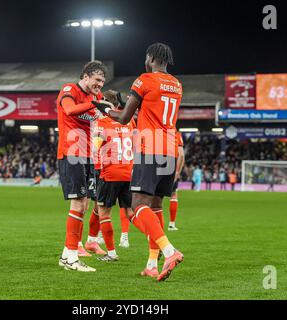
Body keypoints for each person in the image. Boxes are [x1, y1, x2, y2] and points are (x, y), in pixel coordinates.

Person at [93, 42, 184, 281]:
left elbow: (123, 117)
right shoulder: (176, 84)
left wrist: (105, 110)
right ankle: (152, 264)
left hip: (150, 148)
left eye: (146, 57)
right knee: (156, 208)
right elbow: (150, 109)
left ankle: (169, 251)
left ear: (151, 57)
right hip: (170, 149)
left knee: (138, 206)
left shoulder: (144, 79)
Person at [57, 60, 107, 272]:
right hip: (72, 152)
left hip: (87, 155)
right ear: (85, 76)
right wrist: (95, 105)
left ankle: (67, 255)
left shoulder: (96, 97)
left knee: (84, 205)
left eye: (102, 81)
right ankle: (70, 257)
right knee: (78, 204)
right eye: (97, 80)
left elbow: (104, 116)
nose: (100, 85)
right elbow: (69, 110)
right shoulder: (70, 89)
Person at [92, 90, 136, 261]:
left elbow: (96, 147)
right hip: (128, 172)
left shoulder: (102, 122)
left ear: (104, 104)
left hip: (110, 173)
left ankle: (111, 253)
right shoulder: (129, 122)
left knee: (104, 212)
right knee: (132, 213)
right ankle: (154, 240)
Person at [168, 131, 185, 231]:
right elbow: (181, 155)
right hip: (171, 168)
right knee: (173, 195)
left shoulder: (157, 132)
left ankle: (152, 225)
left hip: (156, 166)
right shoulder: (176, 134)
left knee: (154, 199)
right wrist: (177, 172)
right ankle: (171, 224)